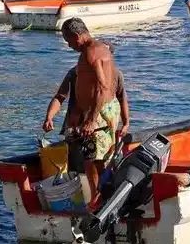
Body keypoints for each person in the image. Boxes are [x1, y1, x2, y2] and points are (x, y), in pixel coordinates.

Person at [60, 17, 120, 211]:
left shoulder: (90, 53)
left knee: (90, 158)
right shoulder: (101, 47)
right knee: (101, 157)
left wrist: (91, 120)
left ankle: (96, 200)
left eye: (69, 41)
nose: (69, 46)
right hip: (107, 108)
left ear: (77, 35)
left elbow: (102, 87)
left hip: (99, 111)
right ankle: (105, 194)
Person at [42, 42, 131, 172]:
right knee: (78, 161)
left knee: (100, 161)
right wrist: (49, 117)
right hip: (76, 127)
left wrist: (126, 122)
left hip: (103, 129)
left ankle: (97, 187)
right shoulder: (75, 73)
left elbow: (122, 98)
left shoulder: (116, 75)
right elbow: (60, 96)